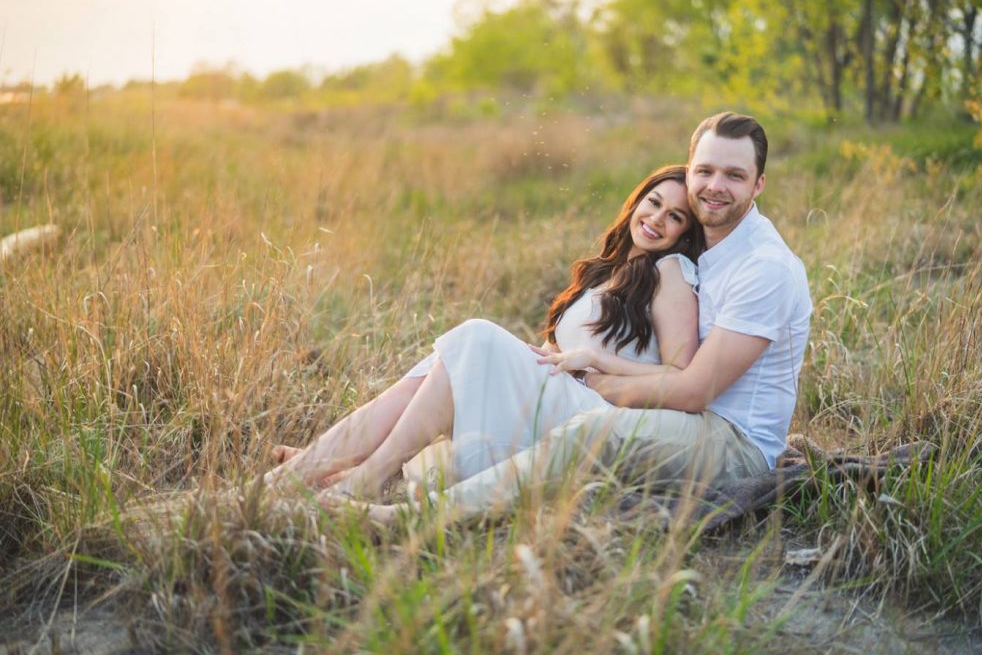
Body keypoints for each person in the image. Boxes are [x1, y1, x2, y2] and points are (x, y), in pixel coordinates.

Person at [341, 111, 813, 524]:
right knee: (474, 354)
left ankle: (405, 519)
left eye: (734, 175)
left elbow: (693, 390)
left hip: (731, 442)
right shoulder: (705, 250)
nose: (715, 186)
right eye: (705, 171)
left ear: (759, 184)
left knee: (593, 429)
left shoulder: (763, 267)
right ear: (688, 174)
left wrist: (592, 382)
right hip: (687, 417)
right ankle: (359, 466)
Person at [263, 164, 706, 502]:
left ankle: (366, 474)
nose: (657, 219)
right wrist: (547, 354)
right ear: (638, 199)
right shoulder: (610, 269)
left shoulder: (671, 272)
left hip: (592, 417)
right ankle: (302, 470)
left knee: (476, 336)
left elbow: (679, 372)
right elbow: (571, 346)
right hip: (559, 395)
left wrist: (596, 362)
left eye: (676, 217)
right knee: (447, 361)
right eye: (653, 202)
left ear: (685, 234)